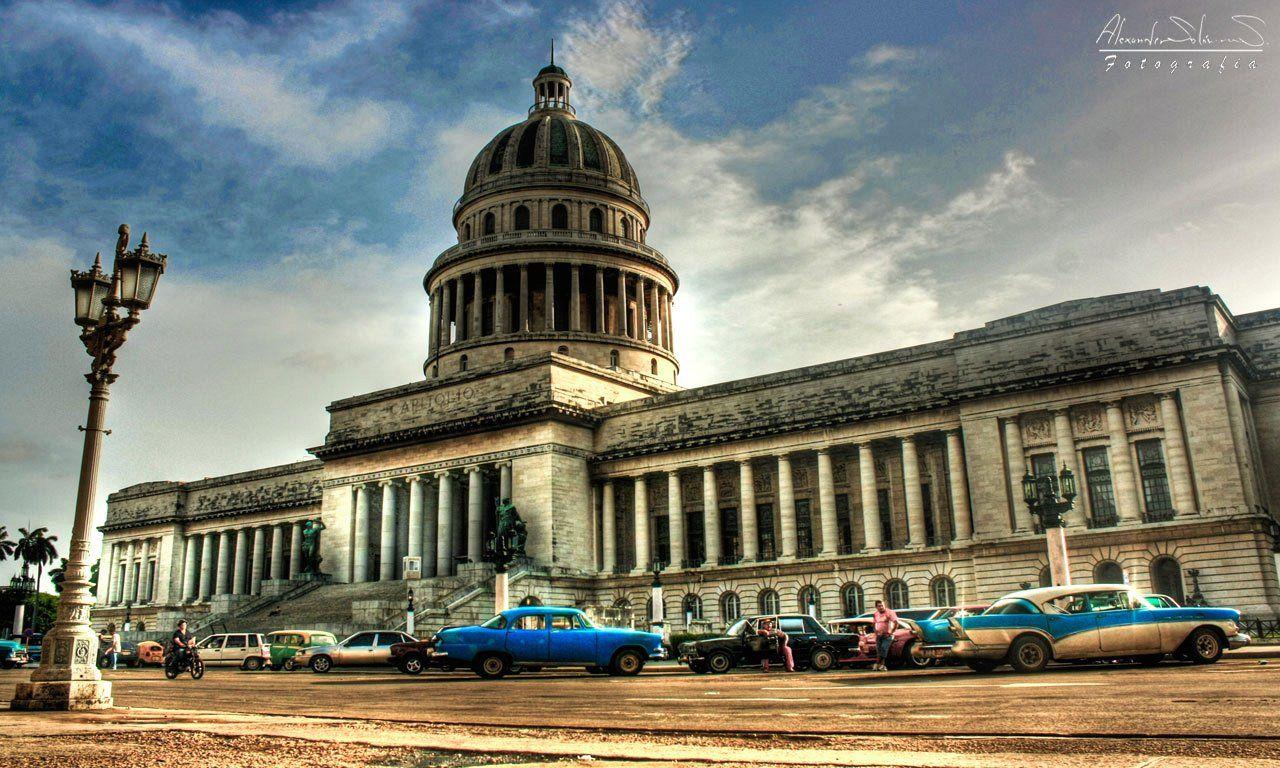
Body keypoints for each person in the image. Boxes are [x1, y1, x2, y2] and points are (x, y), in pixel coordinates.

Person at [872, 600, 898, 671]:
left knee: (884, 648)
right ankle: (878, 665)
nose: (881, 607)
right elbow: (873, 624)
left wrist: (891, 632)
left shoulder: (890, 612)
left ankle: (881, 664)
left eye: (882, 605)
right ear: (876, 607)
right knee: (878, 650)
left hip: (887, 635)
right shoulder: (876, 614)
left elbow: (896, 623)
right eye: (879, 606)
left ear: (884, 605)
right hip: (879, 635)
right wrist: (875, 632)